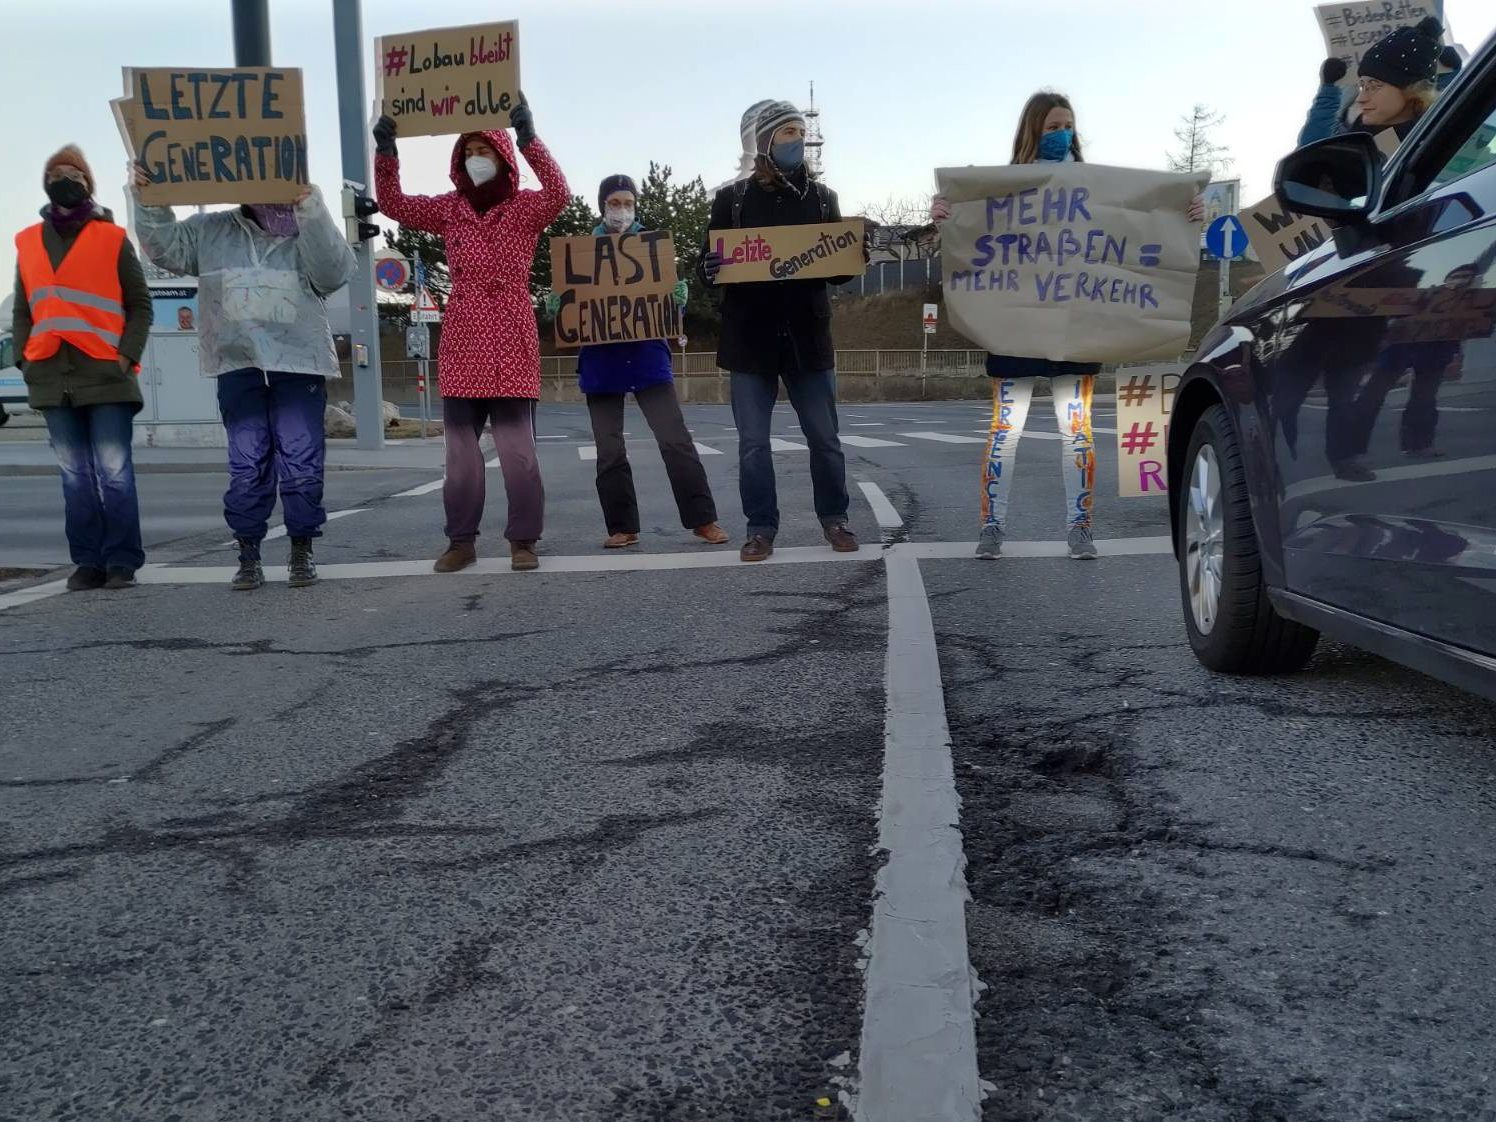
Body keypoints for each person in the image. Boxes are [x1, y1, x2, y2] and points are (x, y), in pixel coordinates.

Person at [931, 92, 1204, 560]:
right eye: (1054, 126)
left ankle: (1079, 527)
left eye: (1068, 127)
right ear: (1033, 130)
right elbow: (974, 237)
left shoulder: (1096, 190)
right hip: (1016, 327)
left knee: (1074, 430)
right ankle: (992, 526)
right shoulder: (1004, 189)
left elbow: (1140, 228)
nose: (1063, 135)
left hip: (1075, 329)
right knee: (1005, 429)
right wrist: (947, 218)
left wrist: (1188, 215)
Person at [132, 168, 354, 591]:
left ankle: (301, 548)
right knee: (247, 463)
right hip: (238, 362)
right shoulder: (211, 230)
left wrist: (310, 205)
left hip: (299, 362)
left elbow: (334, 272)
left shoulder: (308, 229)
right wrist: (149, 196)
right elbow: (163, 248)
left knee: (301, 459)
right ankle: (248, 553)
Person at [373, 97, 568, 574]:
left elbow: (559, 194)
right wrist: (387, 150)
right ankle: (461, 541)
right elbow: (394, 204)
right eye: (468, 150)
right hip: (462, 345)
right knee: (460, 458)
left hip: (512, 346)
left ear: (502, 156)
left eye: (484, 148)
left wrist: (529, 141)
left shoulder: (525, 209)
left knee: (518, 456)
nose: (475, 157)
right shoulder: (450, 210)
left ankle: (524, 540)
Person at [699, 100, 865, 563]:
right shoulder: (729, 200)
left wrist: (855, 254)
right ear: (763, 142)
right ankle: (760, 528)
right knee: (753, 445)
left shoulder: (822, 198)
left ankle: (835, 519)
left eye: (799, 130)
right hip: (750, 340)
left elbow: (836, 272)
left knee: (825, 439)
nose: (798, 138)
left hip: (807, 339)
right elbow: (708, 265)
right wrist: (708, 266)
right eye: (787, 131)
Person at [545, 174, 728, 549]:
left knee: (675, 440)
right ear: (602, 206)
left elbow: (664, 303)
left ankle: (703, 519)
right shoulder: (580, 253)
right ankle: (622, 526)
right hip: (600, 363)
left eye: (628, 202)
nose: (622, 210)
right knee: (609, 447)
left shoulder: (652, 250)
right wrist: (559, 304)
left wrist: (678, 298)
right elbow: (569, 307)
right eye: (615, 203)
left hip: (647, 357)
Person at [12, 145, 152, 591]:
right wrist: (23, 357)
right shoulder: (29, 241)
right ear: (46, 183)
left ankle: (121, 562)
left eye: (74, 172)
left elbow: (139, 304)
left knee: (113, 473)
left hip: (106, 375)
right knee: (74, 477)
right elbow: (22, 310)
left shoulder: (111, 237)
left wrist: (126, 355)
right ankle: (88, 562)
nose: (65, 177)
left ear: (88, 183)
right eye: (57, 172)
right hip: (53, 378)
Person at [1298, 18, 1447, 148]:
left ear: (1411, 90)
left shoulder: (1424, 143)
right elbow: (1313, 154)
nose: (1360, 98)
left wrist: (1451, 73)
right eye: (1363, 86)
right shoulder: (1365, 131)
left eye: (1374, 86)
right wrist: (1328, 90)